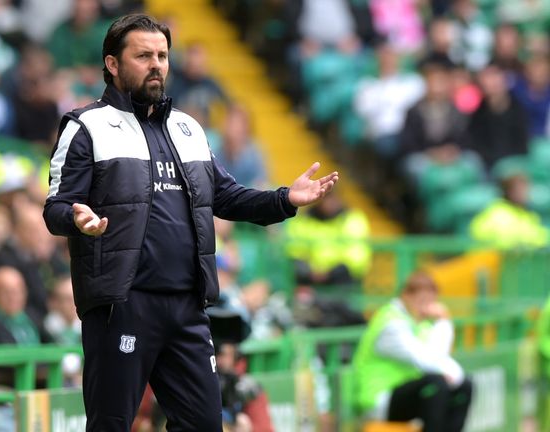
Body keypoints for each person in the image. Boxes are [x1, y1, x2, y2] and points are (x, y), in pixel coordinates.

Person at [43, 14, 338, 431]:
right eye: (143, 55)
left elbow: (226, 196)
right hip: (123, 304)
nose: (157, 64)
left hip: (187, 305)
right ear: (112, 63)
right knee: (111, 424)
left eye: (162, 55)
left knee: (204, 425)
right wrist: (77, 218)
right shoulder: (85, 126)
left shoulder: (188, 128)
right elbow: (56, 207)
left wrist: (284, 199)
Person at [352, 271, 472, 432]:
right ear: (406, 295)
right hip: (380, 399)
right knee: (435, 385)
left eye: (431, 301)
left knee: (464, 386)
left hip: (407, 392)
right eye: (422, 300)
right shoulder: (391, 323)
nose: (426, 307)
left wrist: (442, 322)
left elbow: (440, 357)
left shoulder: (418, 322)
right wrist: (444, 320)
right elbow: (428, 362)